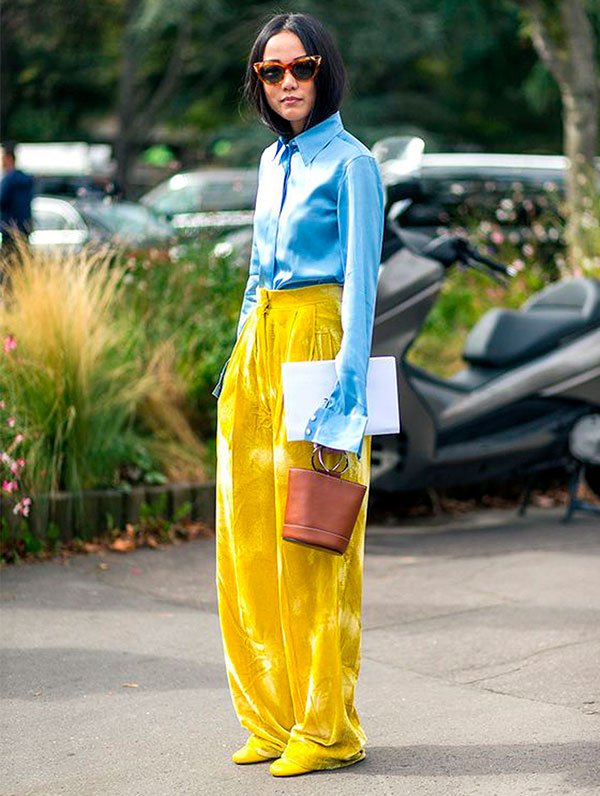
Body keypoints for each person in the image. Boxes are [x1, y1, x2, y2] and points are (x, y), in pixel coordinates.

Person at [212, 12, 384, 778]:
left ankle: (327, 728)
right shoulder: (269, 162)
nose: (286, 82)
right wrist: (233, 370)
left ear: (325, 71)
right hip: (261, 350)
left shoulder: (352, 164)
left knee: (314, 541)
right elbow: (255, 274)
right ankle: (273, 718)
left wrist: (346, 396)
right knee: (248, 540)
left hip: (320, 349)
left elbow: (361, 283)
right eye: (271, 71)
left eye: (300, 67)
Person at [0, 142, 34, 268]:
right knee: (21, 266)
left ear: (8, 158)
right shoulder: (27, 180)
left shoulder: (8, 180)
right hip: (25, 228)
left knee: (7, 266)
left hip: (9, 229)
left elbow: (2, 200)